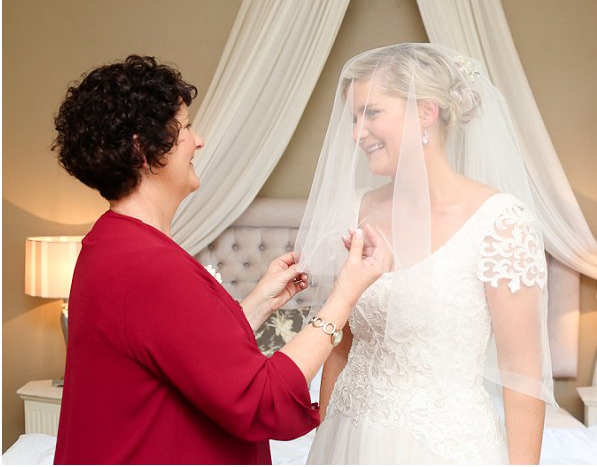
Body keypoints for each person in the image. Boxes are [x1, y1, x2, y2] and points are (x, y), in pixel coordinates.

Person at [51, 55, 385, 464]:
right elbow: (262, 400)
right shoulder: (149, 266)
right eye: (186, 128)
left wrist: (259, 303)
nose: (199, 141)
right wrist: (344, 296)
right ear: (143, 148)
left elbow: (187, 355)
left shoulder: (110, 243)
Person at [296, 43, 557, 465]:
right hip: (347, 439)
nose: (356, 133)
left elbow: (523, 376)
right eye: (354, 117)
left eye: (371, 113)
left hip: (444, 447)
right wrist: (325, 438)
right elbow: (340, 346)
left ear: (425, 113)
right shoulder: (356, 210)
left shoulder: (500, 224)